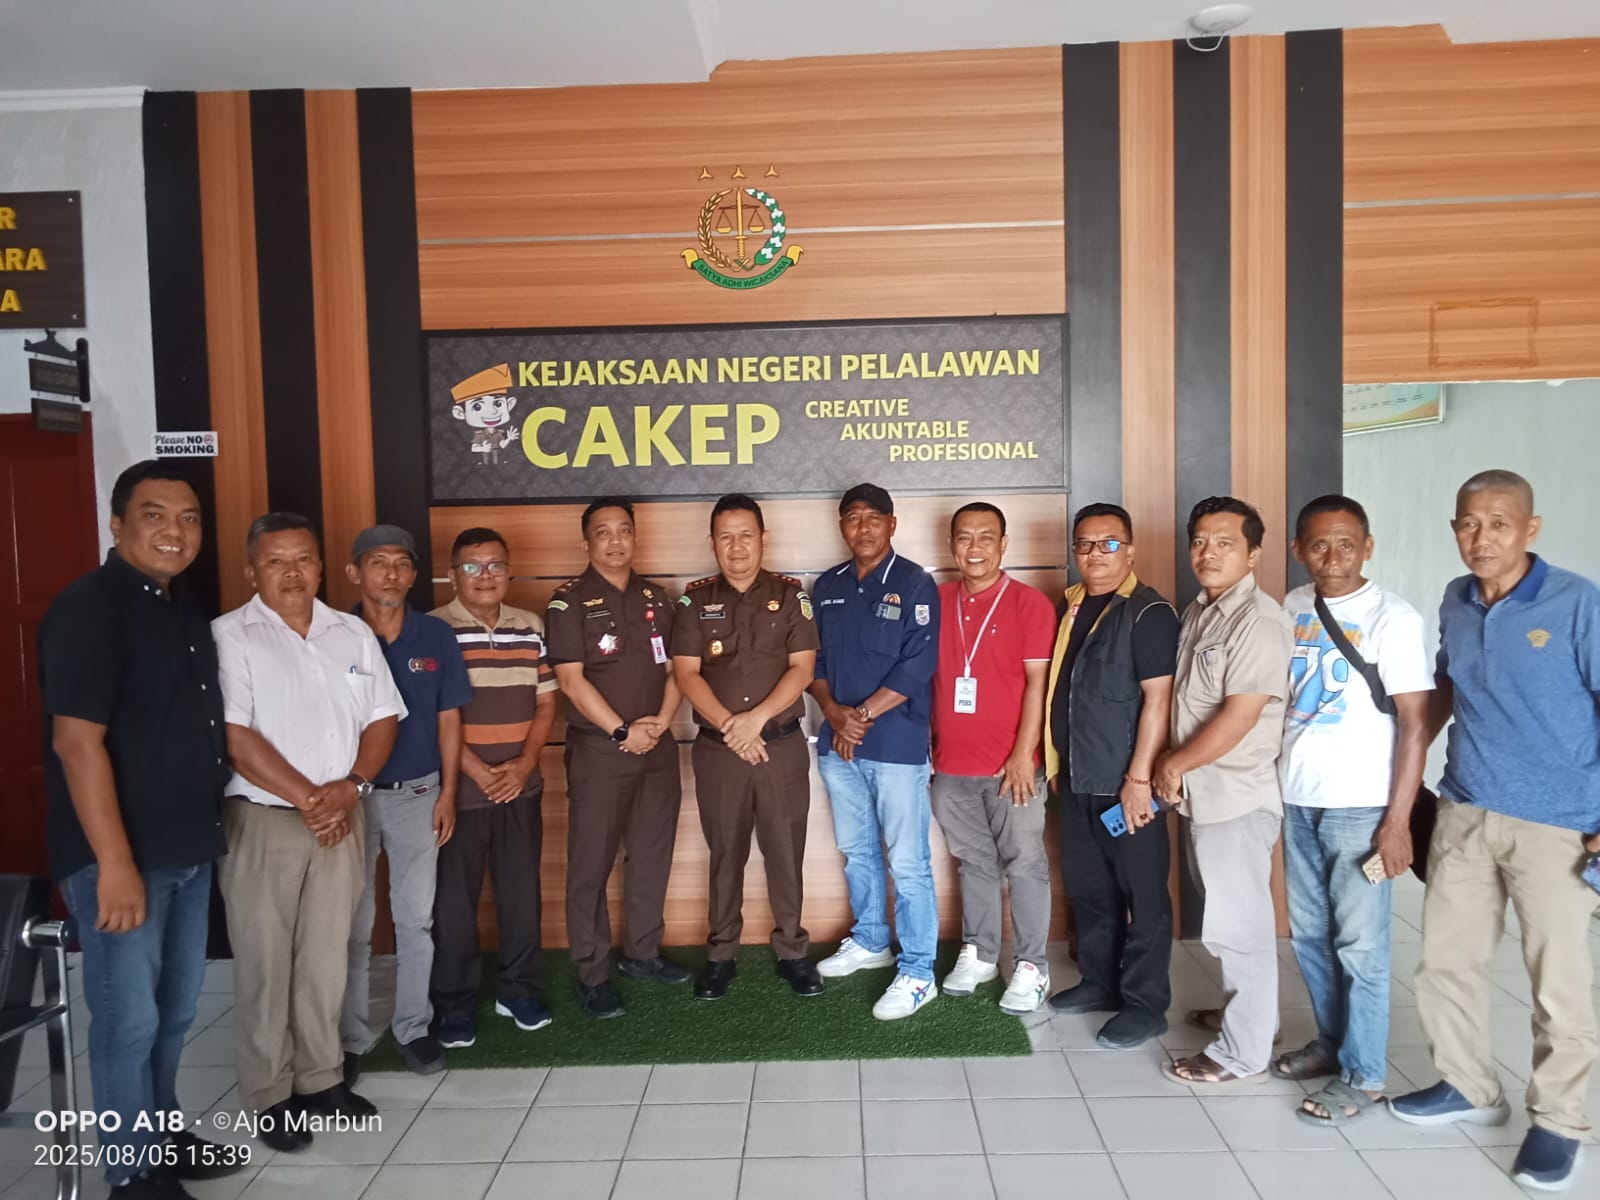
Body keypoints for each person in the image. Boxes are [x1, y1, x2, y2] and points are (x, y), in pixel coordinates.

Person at [1390, 470, 1600, 1193]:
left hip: (1559, 823)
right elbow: (1446, 687)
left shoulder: (1577, 602)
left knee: (1557, 983)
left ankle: (1560, 1123)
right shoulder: (1456, 599)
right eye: (1468, 524)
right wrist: (1405, 761)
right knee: (1446, 963)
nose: (1481, 538)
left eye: (1499, 523)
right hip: (1466, 809)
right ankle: (1468, 1085)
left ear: (1530, 528)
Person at [38, 461, 242, 1198]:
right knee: (127, 1021)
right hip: (122, 860)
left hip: (186, 847)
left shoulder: (180, 607)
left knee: (175, 1010)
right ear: (117, 523)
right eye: (155, 515)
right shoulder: (90, 610)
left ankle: (160, 1133)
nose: (174, 532)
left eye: (189, 518)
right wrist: (114, 864)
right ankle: (131, 1172)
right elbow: (75, 744)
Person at [213, 513, 402, 1150]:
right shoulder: (229, 636)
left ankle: (321, 1077)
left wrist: (351, 788)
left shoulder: (352, 632)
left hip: (343, 813)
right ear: (252, 571)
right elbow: (235, 736)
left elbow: (382, 719)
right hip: (265, 820)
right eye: (276, 561)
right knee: (265, 961)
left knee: (326, 954)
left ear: (320, 567)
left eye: (303, 560)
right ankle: (269, 1093)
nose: (292, 573)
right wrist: (311, 801)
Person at [1276, 495, 1433, 1126]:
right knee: (1311, 936)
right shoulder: (1291, 605)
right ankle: (1331, 1044)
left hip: (1362, 805)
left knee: (1361, 947)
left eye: (1346, 544)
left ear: (1367, 547)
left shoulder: (1394, 618)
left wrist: (1397, 822)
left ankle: (1365, 1075)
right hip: (1298, 797)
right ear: (1299, 550)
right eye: (1319, 544)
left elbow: (1417, 725)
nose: (1333, 557)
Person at [1154, 496, 1294, 1086]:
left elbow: (1240, 716)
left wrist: (1172, 763)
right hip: (1205, 795)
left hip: (1236, 797)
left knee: (1241, 930)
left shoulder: (1259, 621)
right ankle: (1253, 1020)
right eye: (1200, 542)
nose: (1207, 553)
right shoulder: (1202, 611)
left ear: (1253, 553)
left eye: (1225, 543)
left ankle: (1242, 1053)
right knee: (1231, 920)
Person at [672, 494, 823, 1000]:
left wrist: (754, 720)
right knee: (725, 853)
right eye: (726, 537)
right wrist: (730, 727)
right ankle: (720, 955)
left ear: (763, 539)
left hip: (780, 747)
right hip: (720, 753)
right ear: (712, 542)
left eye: (746, 535)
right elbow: (686, 674)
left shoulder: (791, 596)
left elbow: (802, 668)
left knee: (786, 851)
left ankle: (793, 952)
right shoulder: (693, 602)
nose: (736, 547)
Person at [545, 499, 688, 1019]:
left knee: (651, 854)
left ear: (635, 537)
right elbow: (570, 681)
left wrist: (661, 724)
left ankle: (643, 953)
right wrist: (623, 731)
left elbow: (678, 671)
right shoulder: (568, 603)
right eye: (603, 532)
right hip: (601, 752)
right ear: (586, 542)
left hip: (658, 747)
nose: (614, 540)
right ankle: (592, 972)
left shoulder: (658, 599)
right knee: (591, 864)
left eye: (623, 530)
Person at [1044, 502, 1179, 1049]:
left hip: (1126, 785)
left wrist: (1139, 779)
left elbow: (1158, 700)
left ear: (1130, 550)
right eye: (1084, 544)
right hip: (1078, 778)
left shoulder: (1148, 612)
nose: (1095, 553)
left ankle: (1145, 1006)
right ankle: (1099, 982)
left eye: (1109, 543)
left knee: (1143, 897)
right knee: (1091, 891)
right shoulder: (1073, 603)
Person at [340, 525, 472, 1080]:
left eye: (401, 563)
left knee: (415, 918)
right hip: (352, 798)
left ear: (414, 574)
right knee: (353, 923)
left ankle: (413, 1028)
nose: (390, 574)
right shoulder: (335, 636)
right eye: (378, 562)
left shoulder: (435, 636)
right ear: (355, 572)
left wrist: (448, 791)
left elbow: (449, 719)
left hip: (419, 794)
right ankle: (349, 1039)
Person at [809, 483, 942, 1020]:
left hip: (895, 746)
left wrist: (858, 717)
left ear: (892, 524)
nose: (862, 527)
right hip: (838, 745)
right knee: (857, 851)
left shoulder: (914, 583)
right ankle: (870, 939)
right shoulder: (827, 586)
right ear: (841, 526)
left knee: (908, 862)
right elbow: (813, 662)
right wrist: (833, 713)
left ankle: (919, 971)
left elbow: (918, 664)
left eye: (872, 518)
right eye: (852, 518)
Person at [429, 527, 558, 1044]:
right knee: (453, 906)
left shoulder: (530, 626)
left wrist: (525, 764)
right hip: (458, 794)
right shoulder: (433, 630)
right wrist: (478, 772)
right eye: (472, 566)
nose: (485, 576)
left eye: (495, 565)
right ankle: (455, 1004)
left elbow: (547, 702)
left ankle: (518, 991)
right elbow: (427, 715)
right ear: (451, 575)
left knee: (521, 896)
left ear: (510, 571)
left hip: (520, 788)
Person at [928, 501, 1057, 1016]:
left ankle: (1032, 966)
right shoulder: (936, 601)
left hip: (1012, 769)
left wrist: (1024, 755)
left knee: (1025, 864)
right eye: (965, 537)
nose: (975, 547)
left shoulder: (1029, 604)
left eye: (986, 537)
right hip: (951, 767)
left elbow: (1037, 684)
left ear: (1003, 544)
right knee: (973, 862)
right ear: (951, 544)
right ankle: (980, 953)